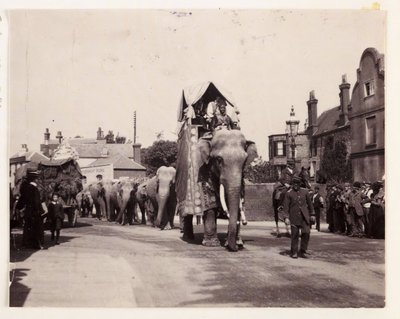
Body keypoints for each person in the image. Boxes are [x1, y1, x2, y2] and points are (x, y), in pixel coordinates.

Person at [282, 175, 315, 259]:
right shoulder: (288, 194)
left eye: (297, 183)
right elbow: (286, 207)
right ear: (292, 184)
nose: (296, 185)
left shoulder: (305, 192)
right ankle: (294, 252)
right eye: (294, 183)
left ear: (300, 184)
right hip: (294, 217)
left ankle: (303, 250)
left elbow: (310, 204)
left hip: (305, 217)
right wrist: (286, 217)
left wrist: (312, 214)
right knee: (295, 235)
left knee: (306, 233)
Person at [16, 169, 45, 249]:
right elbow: (37, 201)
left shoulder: (25, 186)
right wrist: (41, 210)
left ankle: (26, 243)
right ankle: (36, 244)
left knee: (28, 226)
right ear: (34, 179)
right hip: (35, 210)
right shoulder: (33, 188)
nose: (37, 179)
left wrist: (19, 207)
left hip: (28, 210)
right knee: (36, 227)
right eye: (36, 178)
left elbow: (22, 198)